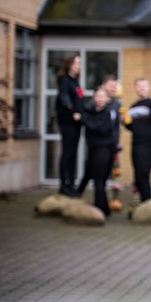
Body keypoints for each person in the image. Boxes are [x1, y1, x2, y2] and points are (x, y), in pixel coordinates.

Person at [77, 75, 121, 196]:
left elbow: (114, 127)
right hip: (95, 145)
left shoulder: (116, 104)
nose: (113, 88)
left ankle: (100, 204)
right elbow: (91, 122)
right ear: (103, 85)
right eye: (111, 86)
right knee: (91, 173)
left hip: (108, 145)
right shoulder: (93, 105)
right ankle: (78, 194)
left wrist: (117, 142)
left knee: (100, 177)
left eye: (115, 86)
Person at [124, 78, 151, 202]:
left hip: (148, 144)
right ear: (135, 88)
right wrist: (124, 122)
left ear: (149, 88)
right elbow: (130, 126)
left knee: (144, 173)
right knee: (137, 173)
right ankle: (139, 200)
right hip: (136, 143)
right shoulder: (133, 107)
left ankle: (147, 201)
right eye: (139, 86)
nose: (142, 88)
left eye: (144, 86)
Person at [81, 87, 116, 216]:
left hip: (104, 150)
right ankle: (99, 205)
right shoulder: (91, 112)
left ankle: (102, 209)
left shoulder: (107, 113)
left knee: (99, 179)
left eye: (103, 96)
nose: (101, 99)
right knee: (92, 176)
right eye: (98, 96)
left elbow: (99, 128)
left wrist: (83, 120)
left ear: (107, 99)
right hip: (93, 149)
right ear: (94, 98)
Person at [55, 55, 84, 197]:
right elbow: (64, 97)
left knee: (73, 154)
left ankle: (71, 185)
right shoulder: (64, 80)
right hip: (68, 123)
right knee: (67, 153)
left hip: (77, 124)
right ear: (69, 65)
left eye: (79, 63)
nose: (78, 66)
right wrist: (72, 111)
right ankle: (63, 185)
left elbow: (79, 100)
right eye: (75, 63)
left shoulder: (75, 82)